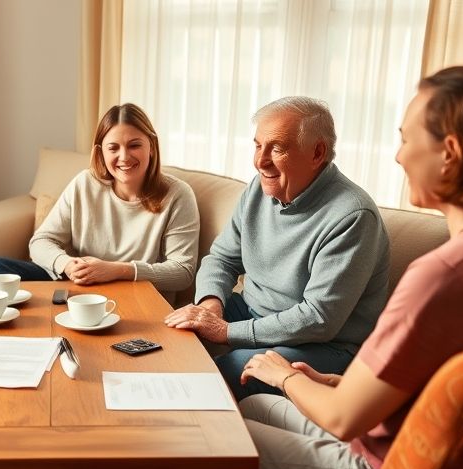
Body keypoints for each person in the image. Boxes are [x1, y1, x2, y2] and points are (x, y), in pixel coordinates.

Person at [237, 65, 463, 469]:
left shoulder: (445, 275)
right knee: (253, 406)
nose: (399, 156)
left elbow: (345, 419)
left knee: (215, 439)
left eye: (406, 139)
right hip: (458, 466)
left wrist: (285, 375)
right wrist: (329, 382)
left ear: (450, 152)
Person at [164, 97, 390, 400]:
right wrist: (210, 304)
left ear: (317, 153)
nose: (261, 161)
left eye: (277, 148)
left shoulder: (353, 217)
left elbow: (318, 318)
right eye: (258, 146)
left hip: (323, 346)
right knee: (167, 337)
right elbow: (222, 258)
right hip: (250, 312)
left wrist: (227, 332)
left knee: (227, 372)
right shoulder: (258, 188)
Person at [0, 103, 199, 301]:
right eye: (113, 148)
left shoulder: (178, 195)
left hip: (133, 294)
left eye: (134, 145)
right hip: (76, 289)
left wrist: (117, 270)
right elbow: (41, 241)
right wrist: (67, 265)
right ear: (101, 152)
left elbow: (182, 272)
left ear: (151, 146)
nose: (124, 157)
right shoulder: (85, 183)